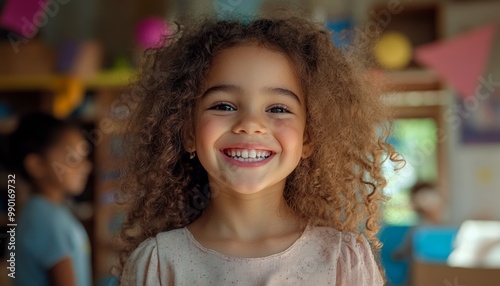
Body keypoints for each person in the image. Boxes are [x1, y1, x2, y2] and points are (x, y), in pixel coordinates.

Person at [118, 13, 398, 285]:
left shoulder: (343, 260)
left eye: (278, 108)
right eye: (223, 106)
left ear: (308, 138)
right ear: (188, 132)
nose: (250, 125)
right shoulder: (157, 264)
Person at [7, 112, 92, 286]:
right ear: (36, 165)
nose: (86, 166)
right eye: (73, 159)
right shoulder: (48, 220)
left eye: (84, 158)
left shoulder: (40, 212)